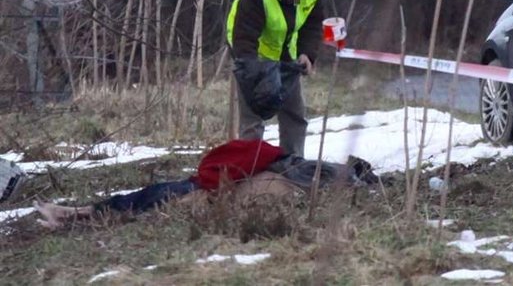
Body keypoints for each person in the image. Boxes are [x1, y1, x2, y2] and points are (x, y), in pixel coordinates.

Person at [33, 139, 377, 230]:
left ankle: (75, 212)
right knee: (152, 198)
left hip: (208, 188)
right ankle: (75, 212)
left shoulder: (299, 175)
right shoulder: (293, 169)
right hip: (206, 186)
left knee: (151, 199)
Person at [226, 0, 324, 156]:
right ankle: (249, 169)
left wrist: (307, 54)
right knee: (253, 117)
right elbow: (244, 36)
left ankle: (293, 163)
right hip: (253, 53)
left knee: (294, 113)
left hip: (287, 52)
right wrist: (251, 72)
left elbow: (313, 23)